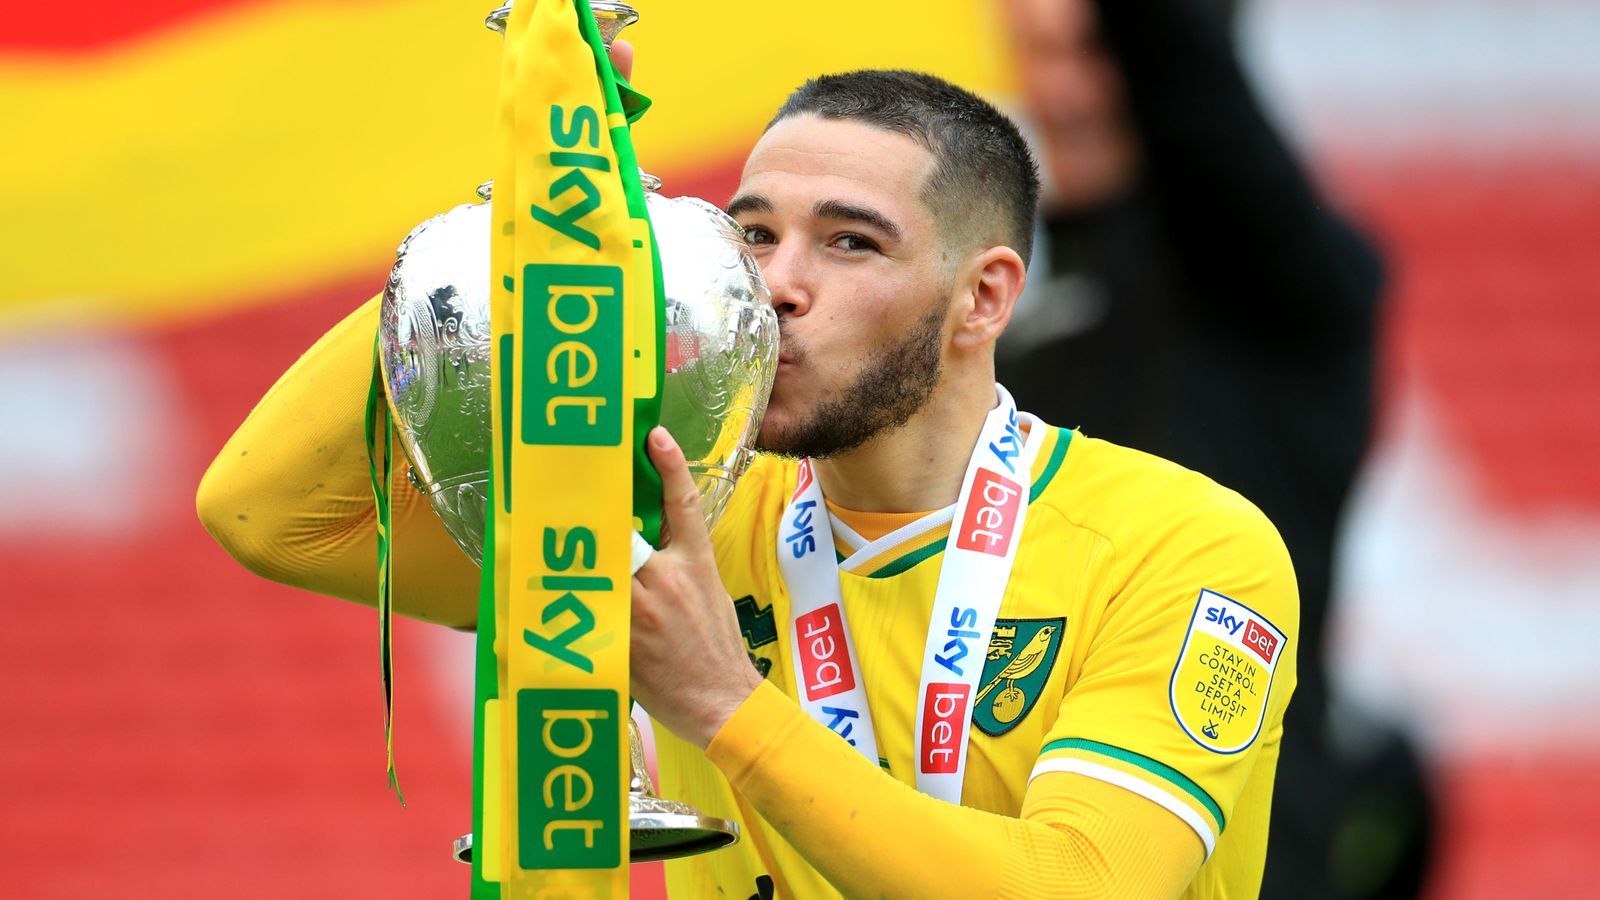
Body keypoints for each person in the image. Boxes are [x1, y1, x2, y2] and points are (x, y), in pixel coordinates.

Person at [199, 67, 1297, 898]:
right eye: (752, 234)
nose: (774, 284)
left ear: (983, 298)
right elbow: (277, 517)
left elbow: (1084, 886)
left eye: (850, 243)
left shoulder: (1183, 546)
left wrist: (726, 706)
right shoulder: (680, 518)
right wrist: (530, 223)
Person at [995, 0, 1431, 895]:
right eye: (1036, 53)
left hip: (1240, 853)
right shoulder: (1008, 325)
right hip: (1035, 845)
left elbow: (1192, 92)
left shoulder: (1274, 284)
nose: (1064, 93)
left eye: (1093, 53)